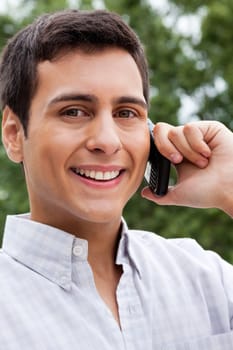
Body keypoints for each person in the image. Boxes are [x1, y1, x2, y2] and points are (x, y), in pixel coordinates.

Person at [0, 8, 232, 350]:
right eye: (74, 111)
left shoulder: (206, 278)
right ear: (14, 135)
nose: (107, 141)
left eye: (126, 113)